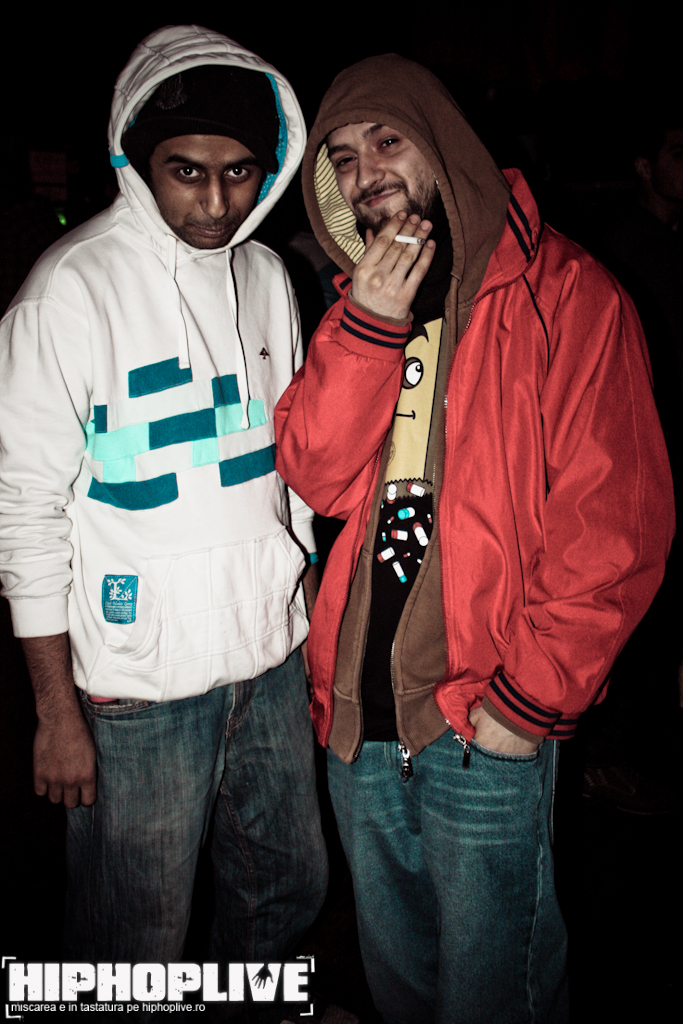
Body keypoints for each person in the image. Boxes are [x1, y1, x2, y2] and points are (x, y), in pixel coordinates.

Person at [274, 55, 674, 1024]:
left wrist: (526, 702)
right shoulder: (362, 301)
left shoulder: (565, 293)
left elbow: (613, 524)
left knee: (497, 995)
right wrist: (368, 326)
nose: (363, 171)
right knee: (402, 987)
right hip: (357, 721)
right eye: (340, 157)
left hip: (482, 717)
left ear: (442, 141)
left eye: (386, 140)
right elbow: (316, 474)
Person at [0, 24, 327, 985]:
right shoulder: (67, 291)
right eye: (187, 172)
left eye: (239, 173)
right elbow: (24, 510)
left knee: (284, 887)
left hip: (268, 662)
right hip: (137, 687)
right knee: (132, 932)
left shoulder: (268, 277)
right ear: (135, 160)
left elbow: (287, 470)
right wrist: (55, 712)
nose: (216, 202)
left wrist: (302, 608)